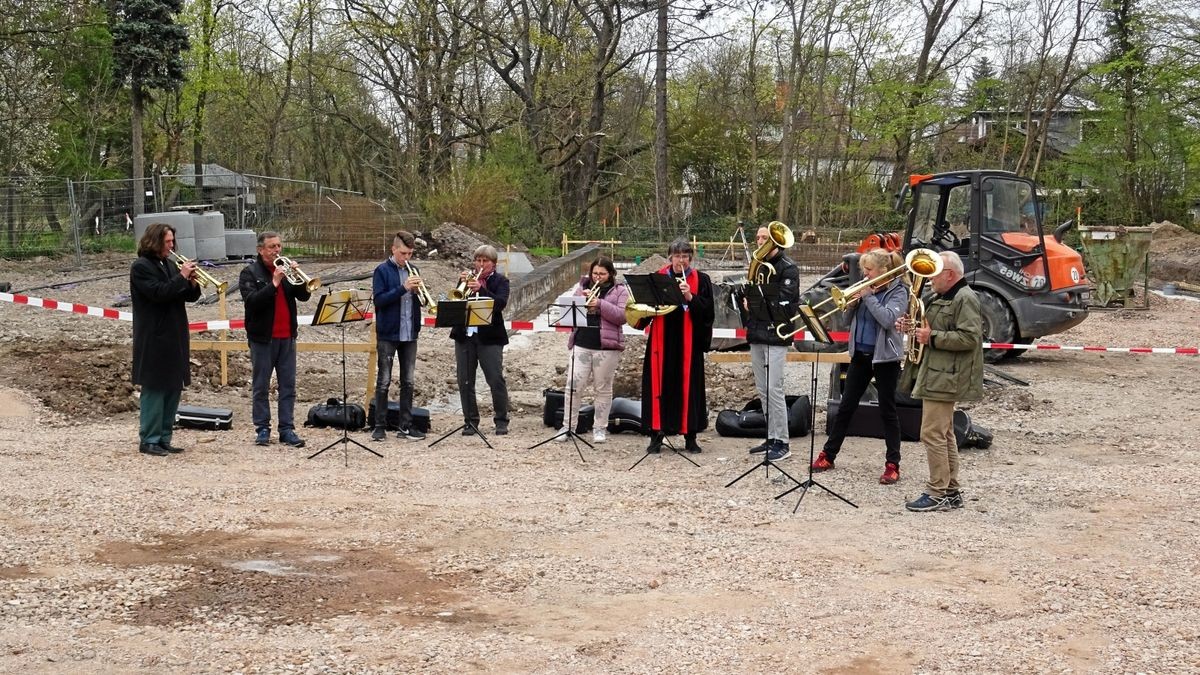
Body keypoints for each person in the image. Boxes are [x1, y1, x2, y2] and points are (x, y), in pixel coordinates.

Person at [811, 249, 909, 483]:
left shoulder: (899, 292)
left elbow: (887, 320)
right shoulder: (866, 290)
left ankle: (892, 463)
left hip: (885, 358)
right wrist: (852, 305)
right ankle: (829, 454)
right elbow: (846, 322)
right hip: (860, 356)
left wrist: (868, 297)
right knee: (846, 407)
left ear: (883, 271)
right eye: (864, 269)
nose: (864, 274)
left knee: (888, 410)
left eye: (869, 270)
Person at [897, 251, 983, 512]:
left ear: (950, 274)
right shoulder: (943, 296)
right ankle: (950, 490)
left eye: (935, 272)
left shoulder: (965, 298)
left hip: (947, 375)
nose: (930, 277)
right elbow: (930, 328)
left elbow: (970, 338)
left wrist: (931, 337)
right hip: (938, 372)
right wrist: (911, 328)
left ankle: (937, 491)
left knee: (932, 433)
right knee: (944, 433)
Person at [130, 223, 203, 456]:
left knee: (173, 386)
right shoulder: (141, 267)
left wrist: (191, 282)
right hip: (153, 335)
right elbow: (159, 293)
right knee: (155, 388)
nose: (172, 246)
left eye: (173, 241)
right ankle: (149, 439)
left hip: (175, 333)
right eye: (167, 242)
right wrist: (181, 276)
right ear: (155, 241)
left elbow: (188, 296)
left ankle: (164, 437)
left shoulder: (170, 264)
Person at [638, 239, 715, 454]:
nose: (681, 260)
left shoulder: (701, 279)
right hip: (661, 341)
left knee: (689, 389)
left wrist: (690, 297)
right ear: (670, 257)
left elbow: (709, 313)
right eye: (677, 256)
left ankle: (690, 437)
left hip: (689, 343)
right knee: (659, 388)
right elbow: (644, 309)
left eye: (685, 256)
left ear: (690, 257)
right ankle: (656, 435)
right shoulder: (658, 278)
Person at [239, 231, 312, 448]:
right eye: (272, 247)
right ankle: (262, 428)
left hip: (287, 336)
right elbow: (252, 302)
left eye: (279, 246)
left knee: (288, 386)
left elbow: (304, 296)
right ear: (261, 250)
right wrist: (274, 283)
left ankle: (287, 429)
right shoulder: (249, 273)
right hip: (263, 338)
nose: (277, 251)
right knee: (261, 386)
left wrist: (298, 279)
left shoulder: (286, 269)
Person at [557, 257, 629, 444]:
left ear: (611, 274)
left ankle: (599, 428)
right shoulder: (582, 287)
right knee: (573, 387)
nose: (597, 277)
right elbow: (569, 313)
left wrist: (599, 304)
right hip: (581, 342)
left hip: (606, 346)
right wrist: (581, 302)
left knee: (603, 389)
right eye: (595, 273)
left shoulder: (620, 290)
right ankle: (568, 427)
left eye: (602, 274)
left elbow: (622, 316)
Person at [743, 225, 800, 462]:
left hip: (776, 334)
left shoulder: (789, 269)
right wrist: (746, 300)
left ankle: (783, 442)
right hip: (757, 332)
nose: (760, 242)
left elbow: (787, 305)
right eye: (758, 237)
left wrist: (759, 302)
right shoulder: (757, 265)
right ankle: (771, 435)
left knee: (775, 388)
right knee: (762, 389)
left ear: (776, 242)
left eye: (765, 238)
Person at [371, 230, 426, 442]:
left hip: (410, 332)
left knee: (409, 381)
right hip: (388, 333)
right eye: (403, 253)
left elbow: (419, 301)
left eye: (410, 254)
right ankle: (379, 426)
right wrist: (403, 288)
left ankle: (406, 425)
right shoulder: (382, 271)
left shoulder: (414, 270)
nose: (407, 258)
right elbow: (379, 300)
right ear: (393, 249)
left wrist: (419, 294)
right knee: (384, 381)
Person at [450, 245, 510, 436]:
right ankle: (470, 421)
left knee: (495, 379)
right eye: (478, 260)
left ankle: (501, 420)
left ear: (494, 264)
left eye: (485, 261)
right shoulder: (467, 281)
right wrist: (461, 286)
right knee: (465, 380)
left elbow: (500, 304)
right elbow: (455, 303)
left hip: (490, 338)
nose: (481, 265)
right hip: (464, 336)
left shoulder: (501, 281)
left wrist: (481, 290)